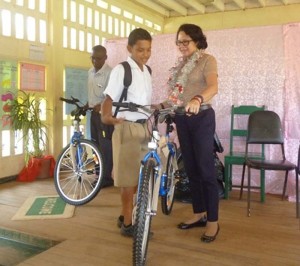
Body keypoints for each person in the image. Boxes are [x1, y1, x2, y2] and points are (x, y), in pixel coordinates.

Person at [162, 24, 220, 243]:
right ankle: (199, 213)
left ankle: (213, 221)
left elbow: (213, 87)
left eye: (186, 41)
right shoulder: (180, 66)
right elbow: (176, 98)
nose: (182, 46)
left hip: (202, 117)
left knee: (206, 170)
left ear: (197, 41)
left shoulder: (208, 60)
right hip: (181, 119)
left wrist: (197, 99)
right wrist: (159, 105)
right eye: (179, 42)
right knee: (191, 169)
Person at [101, 28, 152, 237]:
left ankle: (125, 215)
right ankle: (129, 223)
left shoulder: (147, 70)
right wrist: (107, 117)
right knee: (128, 178)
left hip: (143, 127)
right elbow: (108, 99)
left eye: (149, 50)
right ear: (129, 48)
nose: (145, 54)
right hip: (126, 127)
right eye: (141, 50)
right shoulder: (122, 69)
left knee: (140, 177)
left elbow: (143, 101)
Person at [88, 45, 113, 188]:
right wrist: (89, 104)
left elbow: (111, 95)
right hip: (93, 114)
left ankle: (106, 177)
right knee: (94, 145)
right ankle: (98, 175)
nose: (94, 61)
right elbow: (93, 94)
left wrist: (101, 105)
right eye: (92, 58)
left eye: (98, 58)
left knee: (105, 147)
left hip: (104, 115)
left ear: (105, 58)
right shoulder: (90, 72)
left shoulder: (111, 73)